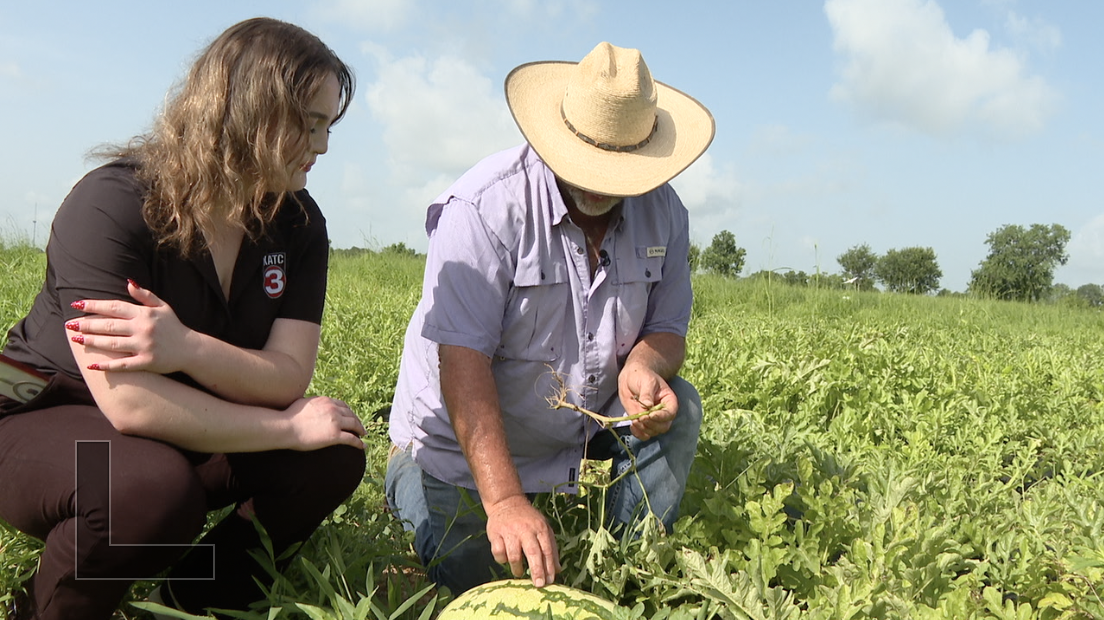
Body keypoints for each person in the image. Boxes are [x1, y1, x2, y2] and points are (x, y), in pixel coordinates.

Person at [0, 18, 367, 620]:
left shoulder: (299, 223)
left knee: (332, 452)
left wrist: (186, 348)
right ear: (250, 110)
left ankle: (189, 600)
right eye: (310, 122)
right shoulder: (112, 205)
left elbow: (286, 375)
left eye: (327, 124)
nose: (323, 145)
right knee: (148, 491)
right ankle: (48, 609)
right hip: (48, 413)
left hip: (180, 417)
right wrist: (285, 430)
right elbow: (129, 405)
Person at [385, 42, 714, 594]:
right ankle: (410, 479)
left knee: (682, 410)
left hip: (574, 437)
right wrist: (507, 501)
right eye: (588, 161)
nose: (598, 183)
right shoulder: (484, 210)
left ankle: (621, 565)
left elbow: (668, 328)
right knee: (471, 584)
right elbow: (463, 364)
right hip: (457, 449)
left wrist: (645, 364)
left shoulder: (665, 215)